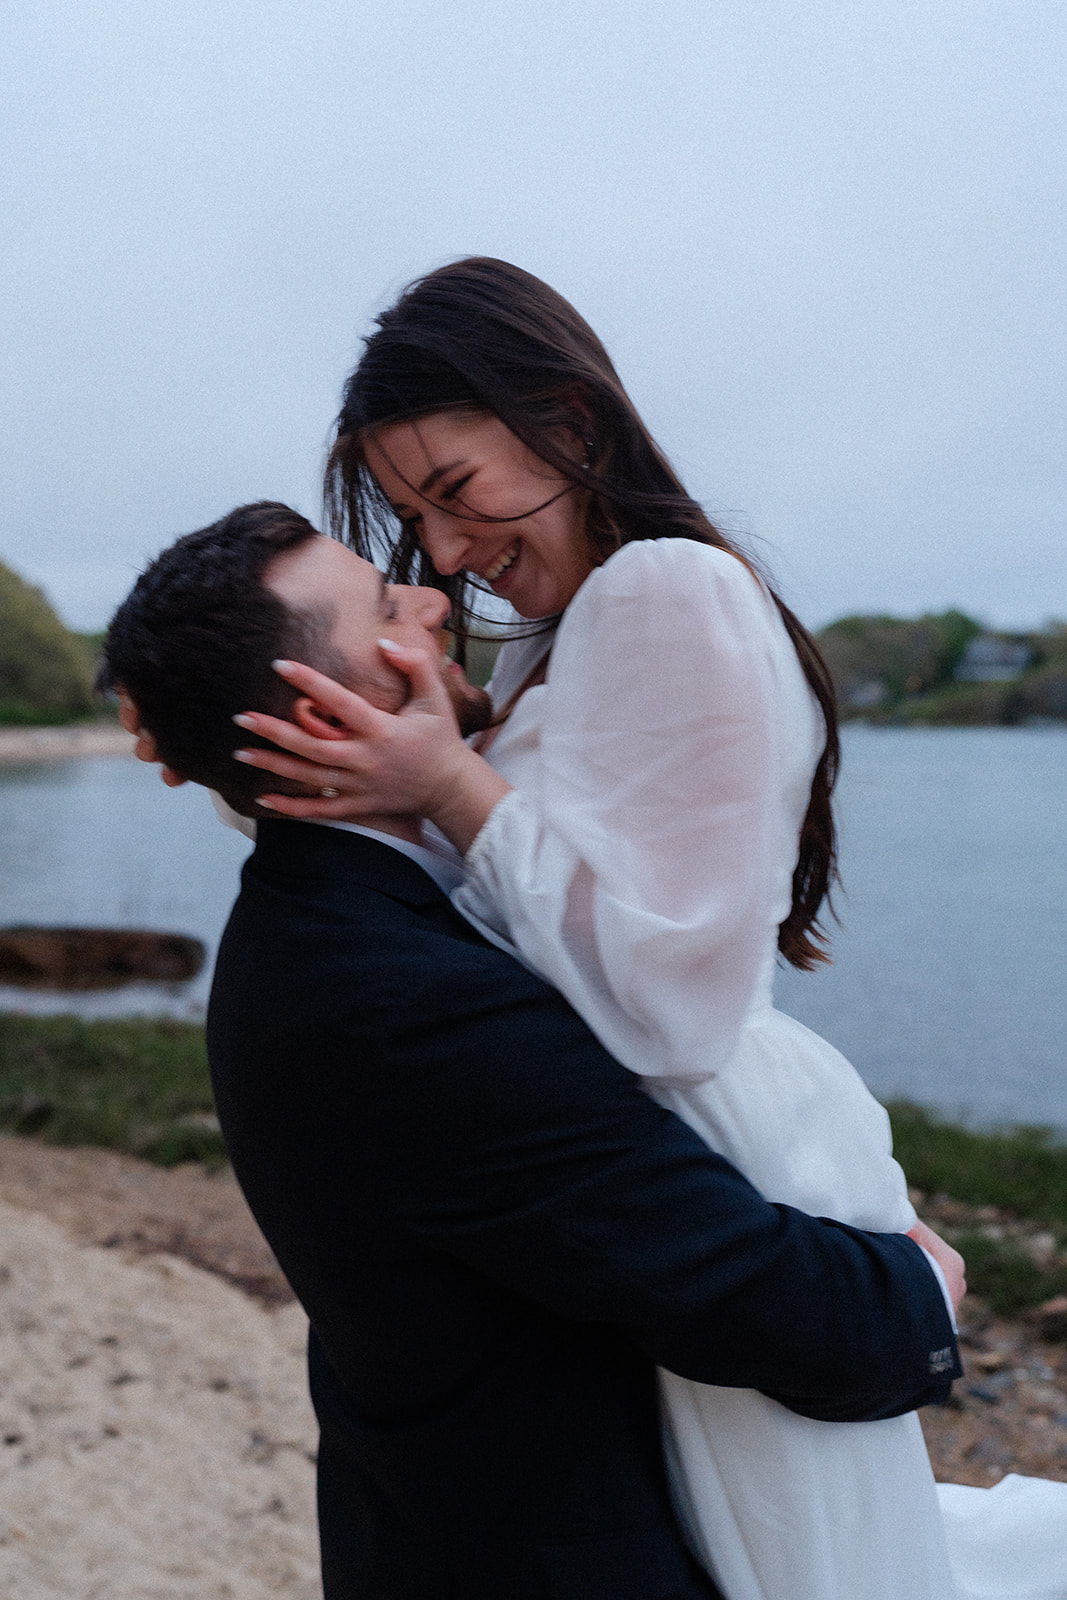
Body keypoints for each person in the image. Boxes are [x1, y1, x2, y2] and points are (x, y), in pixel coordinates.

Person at [227, 261, 1067, 1600]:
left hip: (723, 1137)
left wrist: (447, 784)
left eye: (455, 493)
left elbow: (665, 1012)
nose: (444, 553)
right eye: (411, 517)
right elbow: (514, 897)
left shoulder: (662, 591)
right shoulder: (551, 643)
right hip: (677, 1153)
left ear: (563, 418)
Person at [102, 501, 967, 1600]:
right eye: (385, 606)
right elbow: (737, 1287)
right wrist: (917, 1288)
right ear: (321, 717)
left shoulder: (338, 903)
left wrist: (186, 702)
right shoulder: (393, 1002)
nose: (429, 594)